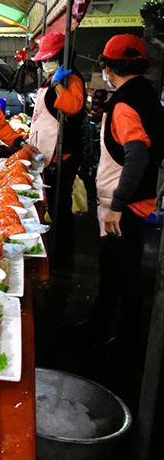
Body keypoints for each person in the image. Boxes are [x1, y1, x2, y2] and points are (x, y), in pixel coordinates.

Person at [84, 34, 164, 348]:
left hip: (126, 205)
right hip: (137, 197)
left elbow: (138, 154)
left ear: (109, 67)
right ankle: (99, 325)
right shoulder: (146, 93)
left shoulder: (124, 104)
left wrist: (117, 204)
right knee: (113, 266)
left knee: (126, 272)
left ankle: (127, 342)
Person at [28, 31, 86, 269]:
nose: (46, 63)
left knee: (61, 208)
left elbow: (73, 107)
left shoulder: (71, 79)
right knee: (51, 204)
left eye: (50, 58)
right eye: (44, 59)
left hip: (63, 154)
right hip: (47, 151)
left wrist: (59, 85)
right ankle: (53, 248)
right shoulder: (51, 78)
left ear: (64, 56)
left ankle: (63, 258)